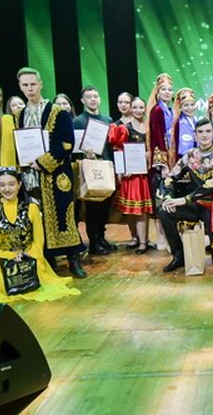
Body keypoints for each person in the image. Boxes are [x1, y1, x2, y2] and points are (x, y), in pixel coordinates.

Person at [15, 67, 86, 278]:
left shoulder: (57, 111)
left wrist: (43, 162)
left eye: (32, 84)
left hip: (55, 174)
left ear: (40, 84)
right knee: (37, 216)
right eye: (25, 85)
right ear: (20, 87)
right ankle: (48, 259)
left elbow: (66, 143)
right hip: (30, 175)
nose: (29, 88)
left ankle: (73, 259)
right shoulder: (19, 115)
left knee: (64, 215)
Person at [0, 167, 79, 302]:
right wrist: (10, 256)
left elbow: (38, 241)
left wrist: (25, 256)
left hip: (28, 259)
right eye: (2, 185)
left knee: (32, 277)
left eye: (11, 184)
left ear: (19, 185)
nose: (7, 189)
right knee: (0, 283)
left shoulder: (32, 209)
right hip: (1, 262)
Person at [157, 118, 213, 272]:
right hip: (196, 204)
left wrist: (185, 199)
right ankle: (179, 255)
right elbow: (170, 178)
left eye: (208, 131)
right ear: (195, 135)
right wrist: (168, 198)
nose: (204, 135)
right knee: (165, 211)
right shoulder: (190, 156)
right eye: (200, 132)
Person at [73, 85, 115, 256]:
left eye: (95, 96)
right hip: (90, 168)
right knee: (92, 207)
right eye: (89, 97)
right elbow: (75, 147)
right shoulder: (78, 121)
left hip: (106, 166)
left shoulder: (108, 120)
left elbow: (112, 145)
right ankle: (93, 241)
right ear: (82, 100)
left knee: (106, 205)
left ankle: (102, 237)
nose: (93, 99)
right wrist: (85, 153)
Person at [109, 96, 152, 254]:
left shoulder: (149, 128)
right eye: (135, 107)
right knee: (130, 209)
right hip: (130, 175)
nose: (138, 110)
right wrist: (121, 170)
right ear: (131, 109)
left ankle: (143, 242)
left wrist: (149, 154)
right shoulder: (124, 129)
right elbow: (119, 151)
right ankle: (135, 238)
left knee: (142, 210)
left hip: (144, 175)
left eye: (141, 107)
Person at [169, 88, 198, 168]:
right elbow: (183, 146)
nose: (190, 108)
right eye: (186, 105)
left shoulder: (196, 121)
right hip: (185, 160)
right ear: (180, 108)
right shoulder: (181, 123)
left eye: (192, 104)